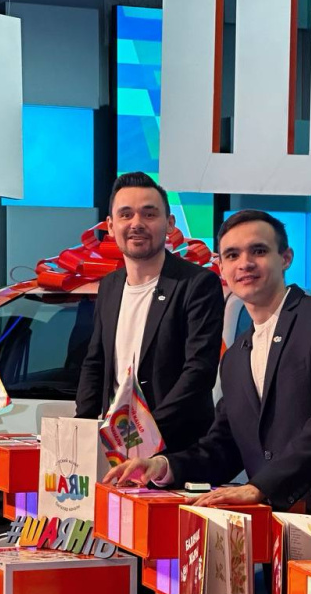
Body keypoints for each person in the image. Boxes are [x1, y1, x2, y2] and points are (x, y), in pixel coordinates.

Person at [103, 209, 311, 553]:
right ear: (221, 268)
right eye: (232, 255)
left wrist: (260, 487)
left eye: (258, 251)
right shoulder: (234, 359)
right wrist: (164, 465)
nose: (244, 263)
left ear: (285, 258)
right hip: (283, 541)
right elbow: (224, 446)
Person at [76, 171, 224, 453]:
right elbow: (95, 363)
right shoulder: (109, 286)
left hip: (177, 449)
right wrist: (82, 429)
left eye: (149, 214)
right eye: (126, 215)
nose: (137, 224)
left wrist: (144, 432)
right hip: (114, 448)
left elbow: (199, 372)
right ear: (110, 226)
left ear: (169, 224)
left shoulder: (197, 284)